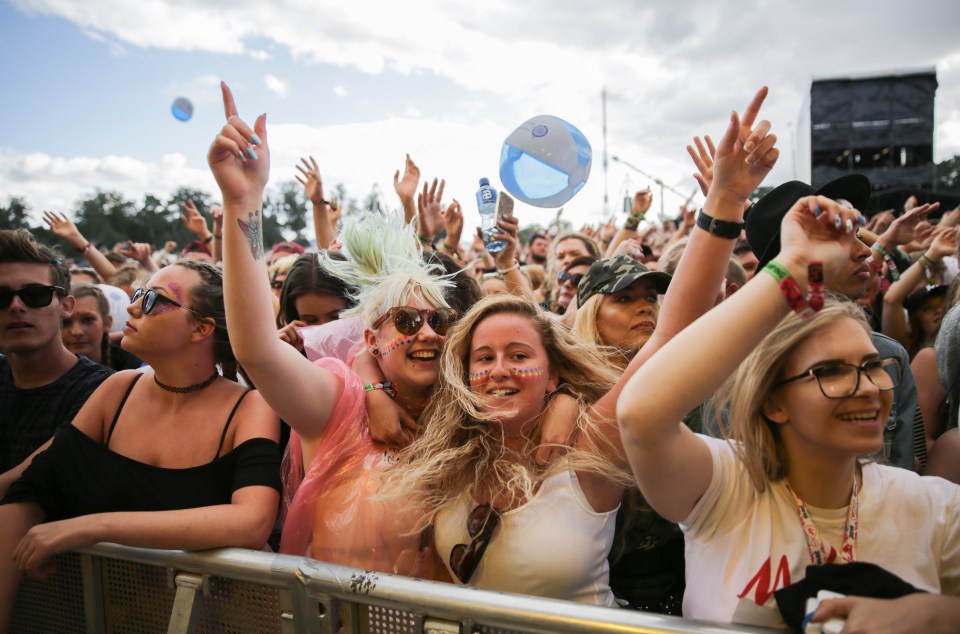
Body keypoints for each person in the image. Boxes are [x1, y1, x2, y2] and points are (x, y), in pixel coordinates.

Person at [385, 86, 780, 606]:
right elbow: (381, 339)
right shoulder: (451, 455)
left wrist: (725, 202)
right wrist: (371, 379)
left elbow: (669, 332)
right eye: (483, 358)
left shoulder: (590, 451)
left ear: (553, 376)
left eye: (520, 355)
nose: (499, 369)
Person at [617, 197, 960, 627]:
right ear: (773, 401)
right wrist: (794, 268)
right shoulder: (723, 485)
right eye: (830, 372)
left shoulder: (934, 507)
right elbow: (640, 413)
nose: (868, 389)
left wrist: (938, 615)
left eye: (873, 366)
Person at [208, 82, 455, 576]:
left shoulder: (466, 408)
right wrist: (244, 202)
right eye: (407, 321)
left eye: (439, 320)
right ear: (370, 337)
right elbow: (255, 348)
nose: (427, 332)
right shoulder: (335, 405)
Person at [0, 259, 282, 633]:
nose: (132, 308)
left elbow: (251, 522)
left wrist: (91, 527)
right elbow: (31, 484)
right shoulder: (117, 390)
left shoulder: (250, 407)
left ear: (202, 327)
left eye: (152, 300)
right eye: (137, 296)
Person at [745, 177, 924, 471]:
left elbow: (906, 473)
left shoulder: (891, 357)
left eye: (869, 369)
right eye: (838, 239)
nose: (866, 250)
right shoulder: (740, 365)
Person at [0, 230, 113, 493]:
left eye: (35, 294)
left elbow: (31, 478)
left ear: (66, 306)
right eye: (1, 297)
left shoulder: (103, 391)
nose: (16, 306)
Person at [61, 284, 141, 370]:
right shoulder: (45, 372)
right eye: (65, 322)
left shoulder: (137, 369)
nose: (76, 332)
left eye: (87, 320)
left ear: (107, 322)